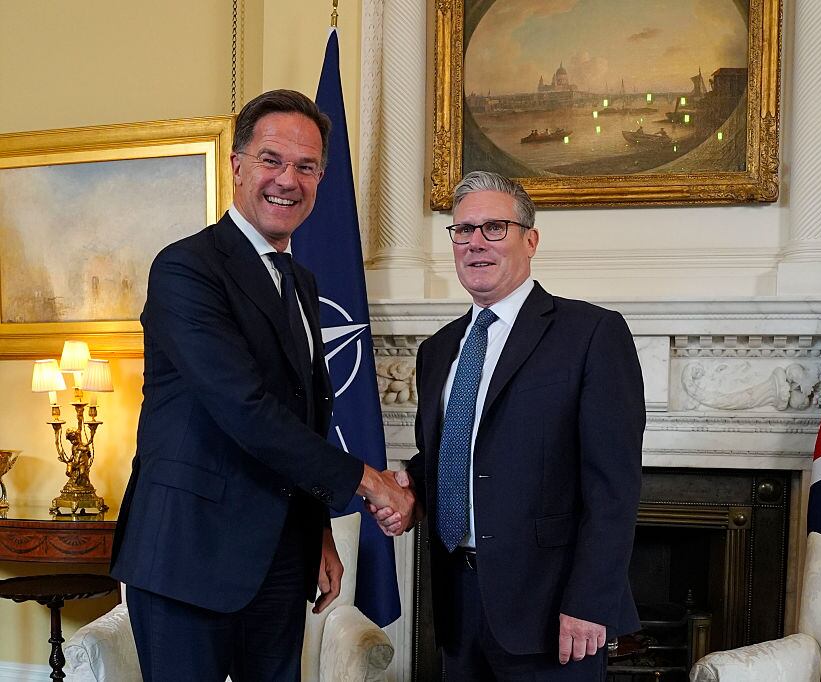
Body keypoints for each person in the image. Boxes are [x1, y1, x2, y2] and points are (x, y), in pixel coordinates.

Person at [110, 89, 414, 682]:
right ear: (237, 165)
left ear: (322, 178)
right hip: (187, 558)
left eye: (306, 167)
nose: (287, 181)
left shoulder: (300, 279)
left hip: (277, 562)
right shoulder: (185, 268)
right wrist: (368, 481)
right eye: (272, 160)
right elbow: (243, 408)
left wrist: (317, 533)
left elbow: (301, 417)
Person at [373, 170, 645, 679]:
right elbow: (462, 451)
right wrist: (411, 486)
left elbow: (614, 486)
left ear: (531, 239)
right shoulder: (437, 351)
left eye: (494, 228)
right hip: (460, 606)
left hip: (554, 612)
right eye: (463, 230)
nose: (476, 242)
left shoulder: (591, 334)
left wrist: (590, 600)